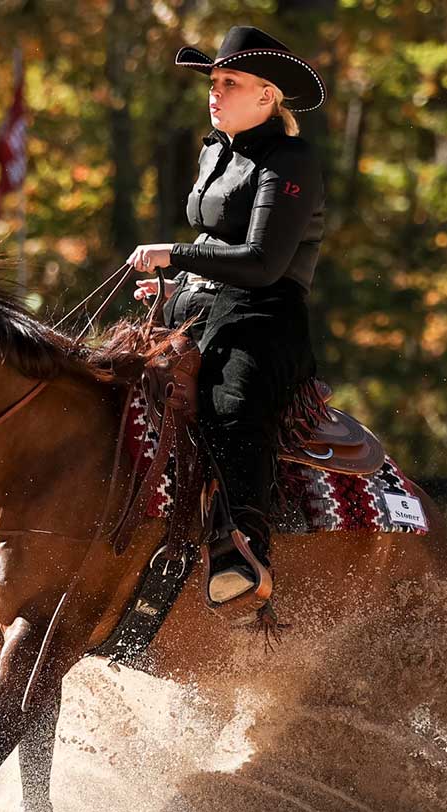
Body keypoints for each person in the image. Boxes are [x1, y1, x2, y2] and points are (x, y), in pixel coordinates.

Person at [124, 26, 325, 608]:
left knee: (228, 404)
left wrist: (174, 254)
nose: (215, 92)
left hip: (265, 316)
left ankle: (243, 547)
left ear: (267, 95)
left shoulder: (293, 159)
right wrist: (174, 287)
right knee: (102, 381)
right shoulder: (215, 149)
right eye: (213, 82)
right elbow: (217, 241)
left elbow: (263, 264)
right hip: (199, 306)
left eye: (229, 82)